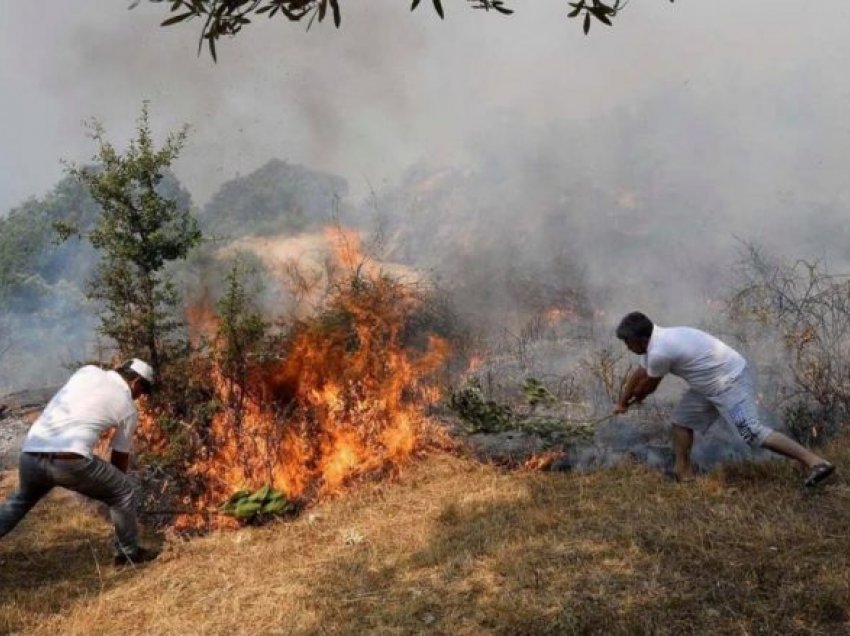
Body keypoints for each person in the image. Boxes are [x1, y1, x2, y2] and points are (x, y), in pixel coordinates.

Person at [614, 311, 835, 487]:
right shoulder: (655, 341)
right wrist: (622, 401)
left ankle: (816, 462)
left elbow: (647, 387)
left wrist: (630, 402)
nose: (627, 347)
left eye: (628, 343)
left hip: (730, 385)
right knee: (681, 421)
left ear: (641, 340)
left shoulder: (661, 350)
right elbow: (639, 374)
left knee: (751, 432)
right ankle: (683, 473)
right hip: (707, 387)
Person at [0, 359, 158, 565]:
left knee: (19, 502)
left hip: (31, 452)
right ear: (136, 382)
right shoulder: (128, 408)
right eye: (143, 391)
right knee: (124, 491)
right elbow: (119, 457)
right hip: (68, 460)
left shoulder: (87, 371)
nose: (140, 397)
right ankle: (128, 555)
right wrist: (115, 491)